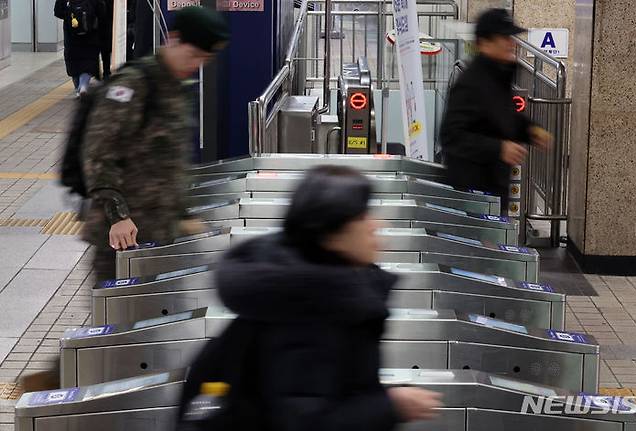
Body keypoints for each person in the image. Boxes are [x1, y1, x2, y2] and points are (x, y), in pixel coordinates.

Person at [179, 166, 442, 431]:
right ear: (330, 231)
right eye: (363, 215)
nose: (376, 225)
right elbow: (304, 421)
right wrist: (391, 406)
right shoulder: (307, 311)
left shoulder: (322, 292)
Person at [81, 6, 229, 282]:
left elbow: (169, 162)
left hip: (160, 231)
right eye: (193, 54)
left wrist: (183, 214)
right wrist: (118, 216)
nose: (196, 64)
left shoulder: (176, 88)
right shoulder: (133, 85)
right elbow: (99, 153)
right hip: (123, 236)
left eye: (204, 59)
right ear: (173, 39)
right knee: (119, 317)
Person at [439, 8, 551, 212]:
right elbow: (451, 136)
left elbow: (502, 118)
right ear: (485, 43)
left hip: (493, 191)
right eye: (505, 37)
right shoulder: (471, 82)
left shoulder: (498, 77)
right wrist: (499, 148)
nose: (512, 43)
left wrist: (530, 130)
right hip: (473, 195)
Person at [54, 0, 107, 96]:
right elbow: (101, 11)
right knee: (89, 59)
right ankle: (83, 85)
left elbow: (58, 11)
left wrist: (70, 15)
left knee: (73, 60)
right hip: (91, 33)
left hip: (71, 33)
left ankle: (78, 87)